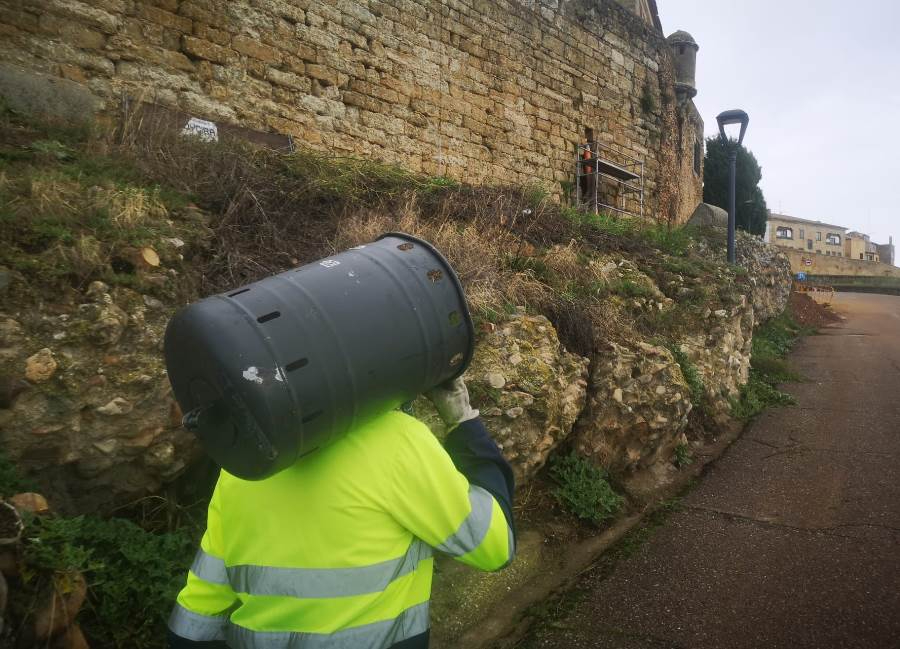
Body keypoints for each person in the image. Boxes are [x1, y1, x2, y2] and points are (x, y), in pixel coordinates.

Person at [167, 377, 515, 649]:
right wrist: (463, 421)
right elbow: (494, 548)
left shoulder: (244, 462)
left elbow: (195, 618)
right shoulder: (395, 441)